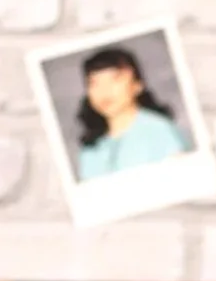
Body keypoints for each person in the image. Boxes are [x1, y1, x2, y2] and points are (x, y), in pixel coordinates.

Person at [72, 45, 190, 180]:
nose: (104, 90)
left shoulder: (160, 131)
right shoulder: (90, 148)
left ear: (137, 85)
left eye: (115, 79)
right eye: (94, 83)